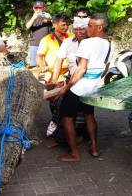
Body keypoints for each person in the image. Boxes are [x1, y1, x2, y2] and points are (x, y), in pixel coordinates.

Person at [56, 13, 112, 162]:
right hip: (93, 88)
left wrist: (66, 88)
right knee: (89, 115)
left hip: (78, 88)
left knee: (67, 118)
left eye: (90, 25)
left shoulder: (87, 43)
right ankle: (94, 148)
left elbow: (80, 70)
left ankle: (74, 154)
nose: (87, 28)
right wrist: (94, 81)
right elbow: (106, 68)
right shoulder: (109, 44)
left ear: (99, 27)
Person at [46, 16, 91, 149]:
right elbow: (59, 60)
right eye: (76, 29)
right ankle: (61, 140)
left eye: (82, 28)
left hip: (87, 83)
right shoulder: (68, 42)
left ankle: (87, 141)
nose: (79, 31)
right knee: (62, 112)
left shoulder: (92, 43)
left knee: (86, 114)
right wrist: (54, 80)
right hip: (72, 81)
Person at [36, 14, 72, 83]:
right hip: (52, 76)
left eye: (67, 25)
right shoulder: (46, 39)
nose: (66, 27)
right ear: (54, 25)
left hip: (68, 75)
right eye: (63, 25)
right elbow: (39, 55)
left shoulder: (71, 38)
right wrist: (42, 67)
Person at [25, 1, 52, 67]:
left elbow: (55, 24)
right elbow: (27, 26)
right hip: (35, 43)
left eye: (40, 8)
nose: (38, 9)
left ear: (43, 8)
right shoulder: (30, 17)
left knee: (48, 65)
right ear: (33, 8)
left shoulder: (46, 16)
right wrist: (34, 18)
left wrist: (50, 17)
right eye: (36, 8)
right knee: (34, 65)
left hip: (46, 44)